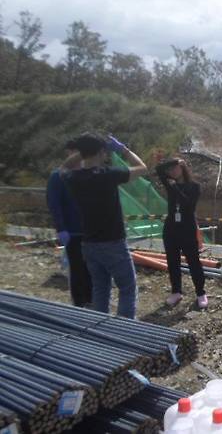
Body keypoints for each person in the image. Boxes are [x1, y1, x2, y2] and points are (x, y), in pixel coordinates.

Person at [60, 132, 148, 319]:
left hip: (89, 243)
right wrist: (123, 149)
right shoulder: (108, 175)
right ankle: (123, 330)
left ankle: (101, 330)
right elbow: (142, 168)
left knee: (100, 288)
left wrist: (83, 151)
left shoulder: (73, 178)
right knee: (127, 288)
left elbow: (63, 167)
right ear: (102, 152)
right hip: (113, 242)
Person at [155, 158, 207, 309]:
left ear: (182, 167)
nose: (171, 171)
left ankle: (200, 293)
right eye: (169, 169)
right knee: (172, 262)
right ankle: (176, 291)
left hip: (187, 229)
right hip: (171, 228)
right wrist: (173, 160)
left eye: (175, 168)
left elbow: (188, 206)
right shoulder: (169, 182)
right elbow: (159, 168)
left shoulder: (194, 186)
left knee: (193, 262)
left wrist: (176, 188)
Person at [46, 151, 93, 307]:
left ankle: (91, 300)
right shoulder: (58, 176)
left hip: (91, 232)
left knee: (92, 268)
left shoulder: (87, 174)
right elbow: (54, 204)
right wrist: (61, 228)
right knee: (77, 268)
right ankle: (79, 303)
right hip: (73, 232)